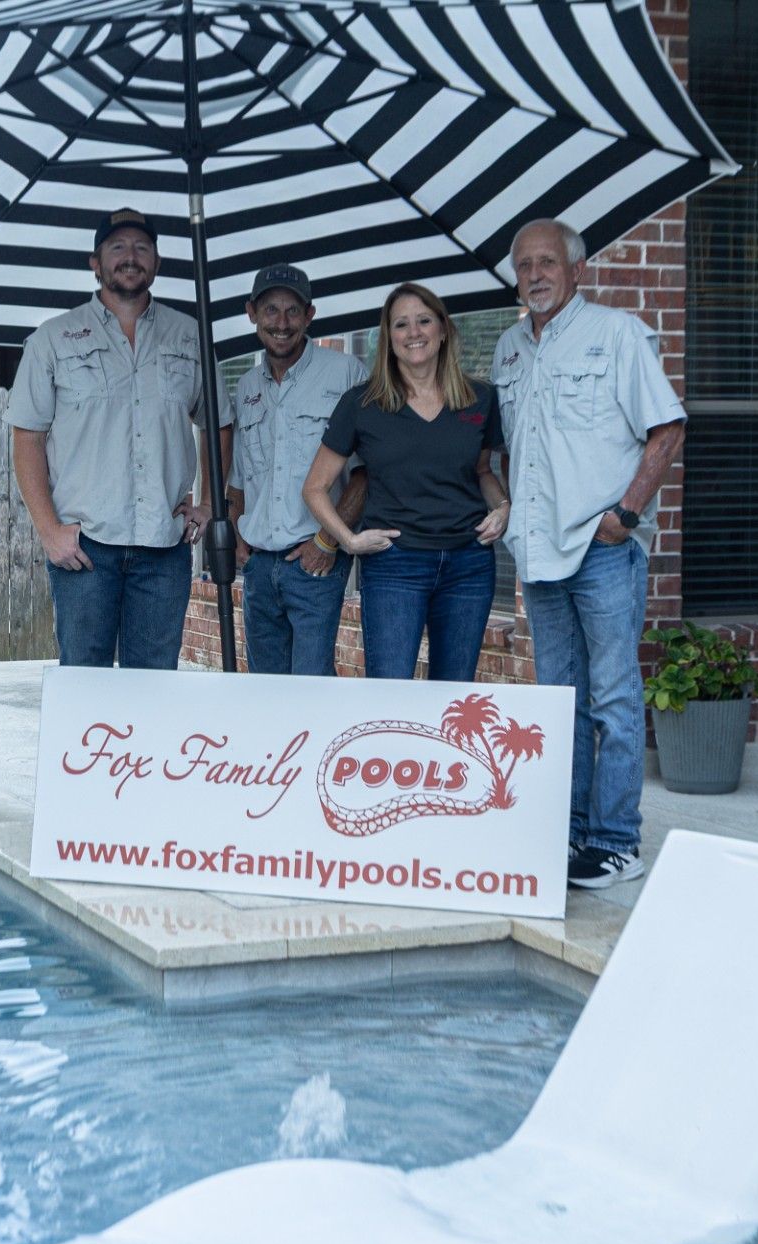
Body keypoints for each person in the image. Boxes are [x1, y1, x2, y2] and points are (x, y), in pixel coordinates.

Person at [490, 218, 686, 891]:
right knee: (558, 702)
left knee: (613, 698)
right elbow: (516, 449)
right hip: (540, 555)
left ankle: (614, 841)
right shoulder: (510, 349)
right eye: (524, 266)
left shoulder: (618, 334)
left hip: (602, 551)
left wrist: (626, 514)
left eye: (547, 262)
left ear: (576, 270)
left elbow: (667, 427)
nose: (536, 275)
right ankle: (567, 833)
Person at [8, 209, 223, 668]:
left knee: (154, 686)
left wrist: (208, 502)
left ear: (157, 262)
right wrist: (49, 532)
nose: (131, 257)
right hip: (85, 549)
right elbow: (27, 437)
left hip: (164, 548)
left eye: (142, 248)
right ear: (96, 262)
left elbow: (218, 424)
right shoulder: (54, 339)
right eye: (118, 248)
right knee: (85, 682)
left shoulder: (190, 337)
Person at [301, 283, 509, 683]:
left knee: (454, 697)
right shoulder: (362, 403)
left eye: (424, 320)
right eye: (401, 324)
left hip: (468, 563)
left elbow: (483, 472)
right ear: (389, 337)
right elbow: (314, 487)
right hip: (395, 565)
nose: (414, 332)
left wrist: (504, 508)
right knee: (390, 690)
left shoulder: (480, 398)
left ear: (444, 329)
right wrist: (349, 540)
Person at [224, 263, 368, 676]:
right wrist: (237, 538)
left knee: (312, 687)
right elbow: (239, 480)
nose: (282, 323)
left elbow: (366, 474)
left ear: (310, 315)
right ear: (252, 313)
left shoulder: (345, 375)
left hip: (314, 562)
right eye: (271, 310)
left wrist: (328, 540)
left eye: (292, 311)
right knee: (265, 693)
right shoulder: (247, 386)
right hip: (258, 567)